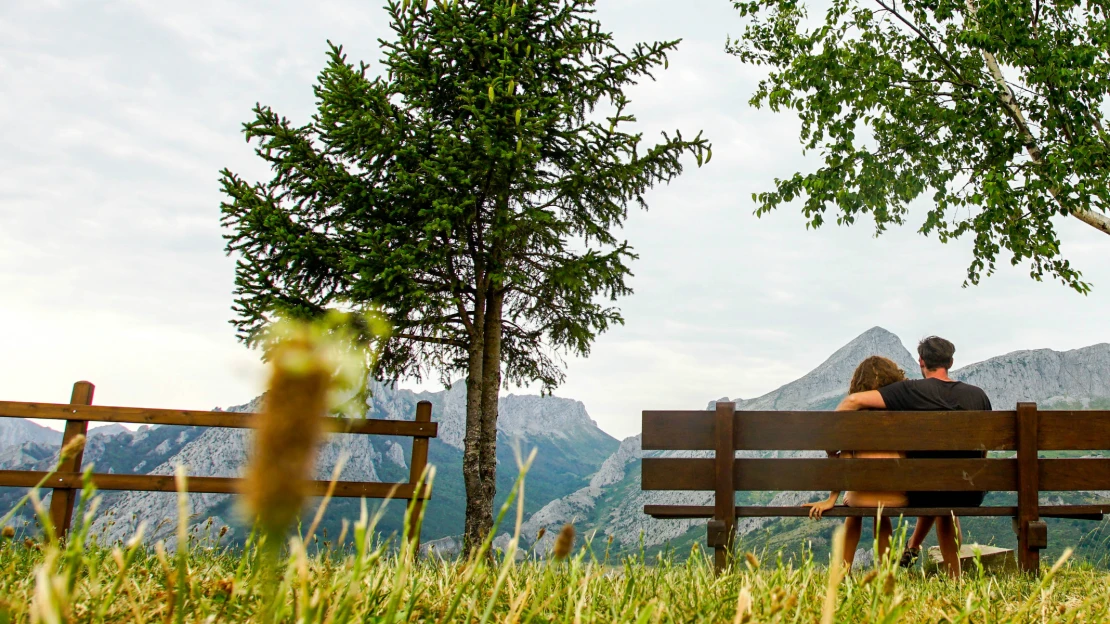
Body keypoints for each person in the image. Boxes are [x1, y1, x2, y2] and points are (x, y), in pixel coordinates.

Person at [834, 336, 992, 578]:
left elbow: (853, 400)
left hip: (924, 490)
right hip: (970, 491)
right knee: (943, 493)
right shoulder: (978, 395)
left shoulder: (910, 391)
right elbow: (985, 448)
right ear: (950, 361)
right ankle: (951, 576)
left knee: (935, 488)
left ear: (921, 361)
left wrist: (832, 442)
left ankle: (910, 551)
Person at [803, 356, 909, 570]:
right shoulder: (904, 415)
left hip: (860, 496)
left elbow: (839, 458)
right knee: (883, 516)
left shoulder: (852, 419)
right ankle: (885, 571)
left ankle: (844, 570)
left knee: (853, 511)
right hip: (897, 496)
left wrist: (832, 498)